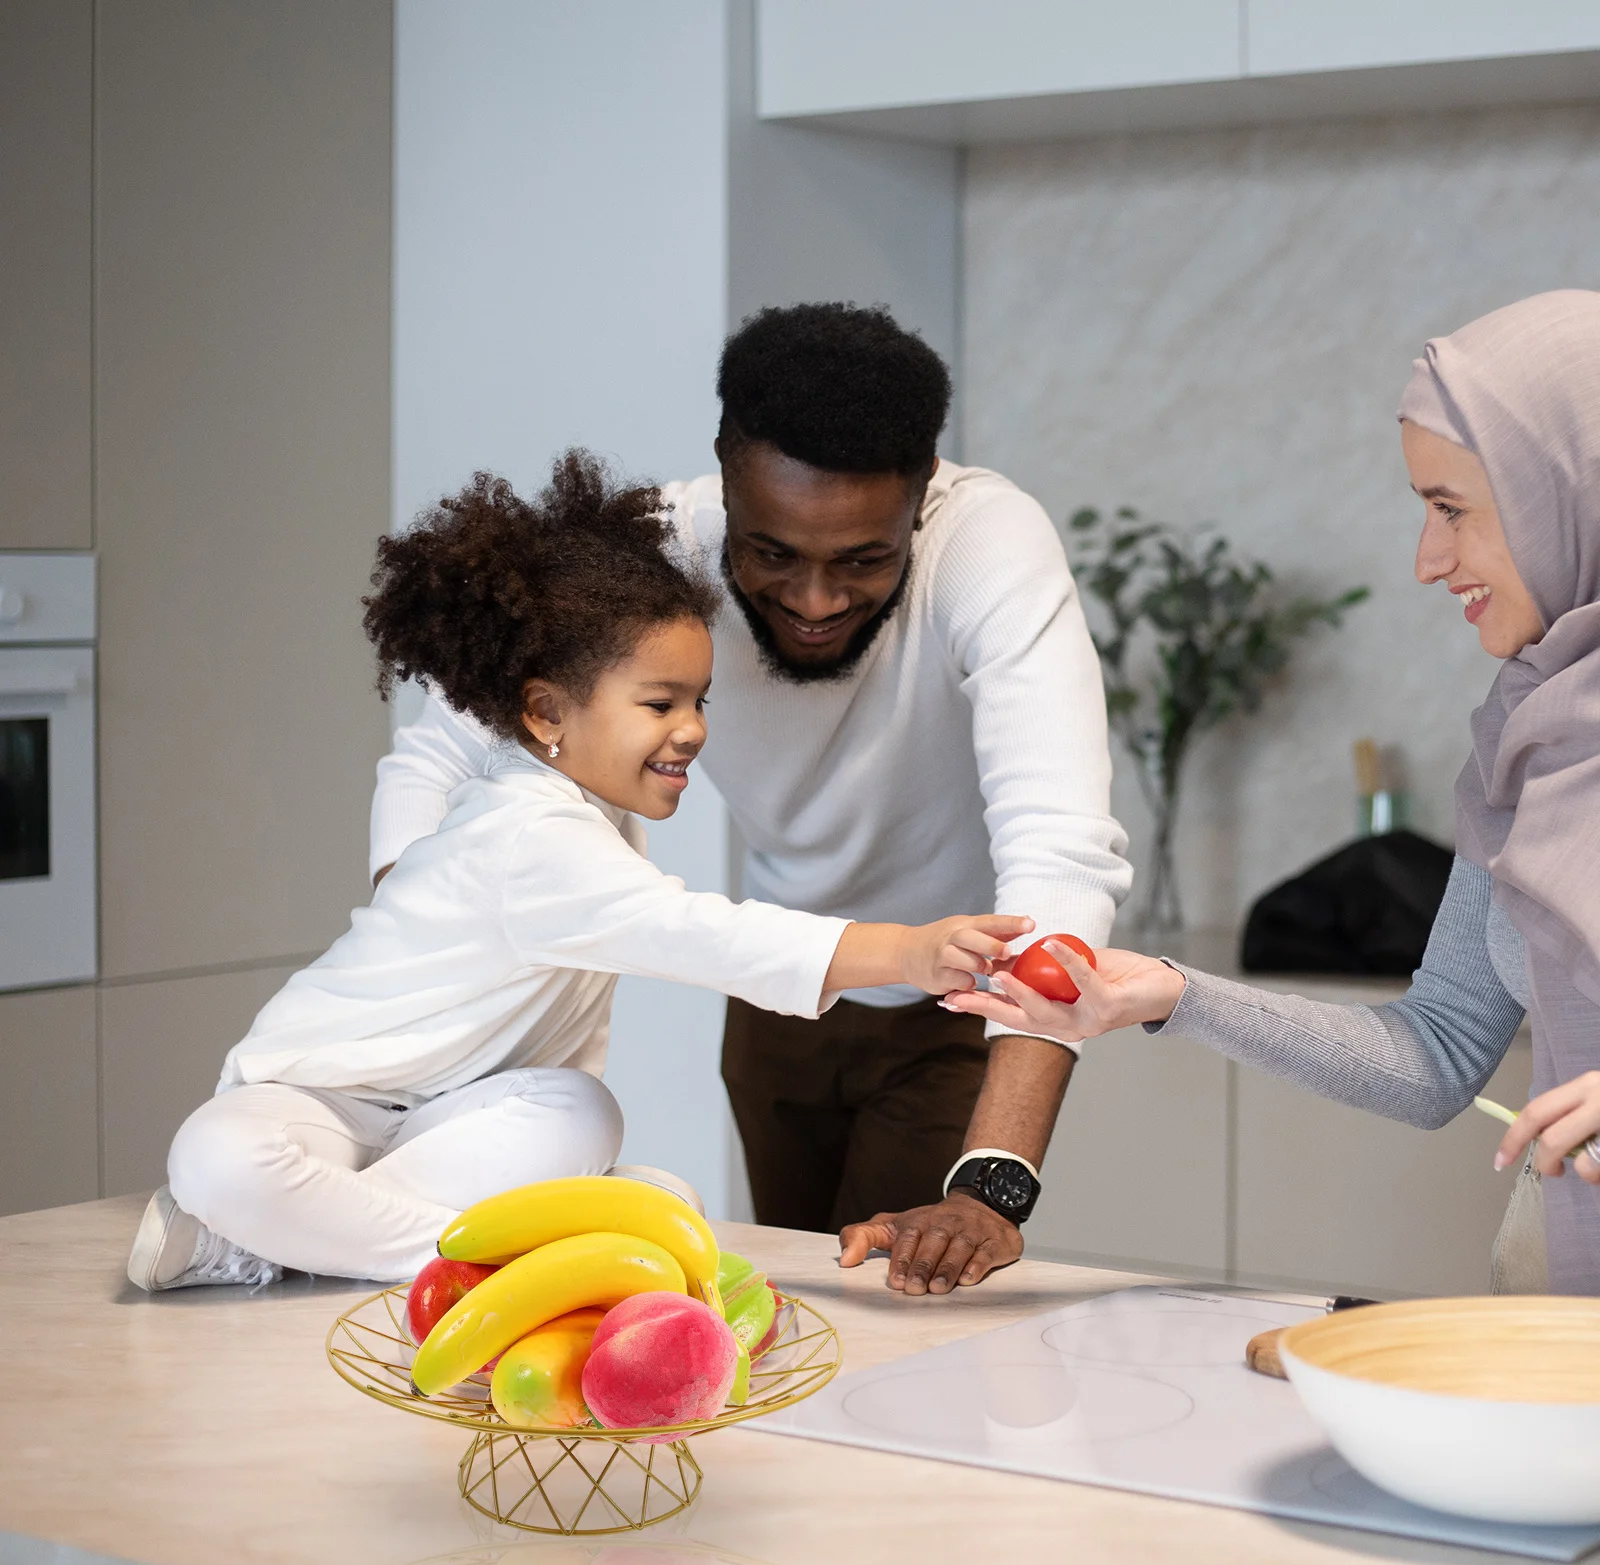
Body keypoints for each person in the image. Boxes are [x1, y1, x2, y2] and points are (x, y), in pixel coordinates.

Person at [372, 304, 1131, 1296]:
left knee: (893, 1309)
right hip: (779, 994)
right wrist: (410, 944)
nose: (815, 601)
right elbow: (440, 744)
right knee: (796, 1294)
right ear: (725, 475)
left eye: (862, 560)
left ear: (921, 495)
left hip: (959, 997)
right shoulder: (660, 546)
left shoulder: (987, 543)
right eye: (771, 554)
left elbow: (1060, 848)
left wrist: (994, 1182)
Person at [126, 454, 1025, 1291]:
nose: (693, 730)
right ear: (547, 712)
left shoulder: (587, 811)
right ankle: (482, 1254)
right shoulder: (530, 835)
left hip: (450, 1114)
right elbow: (702, 935)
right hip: (322, 1101)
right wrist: (907, 951)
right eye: (660, 703)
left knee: (578, 1110)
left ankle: (277, 1242)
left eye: (699, 701)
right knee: (219, 1157)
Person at [945, 290, 1600, 1296]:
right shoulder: (1519, 742)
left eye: (1452, 509)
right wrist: (1172, 995)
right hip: (1558, 1281)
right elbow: (1435, 1053)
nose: (1427, 561)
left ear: (1568, 489)